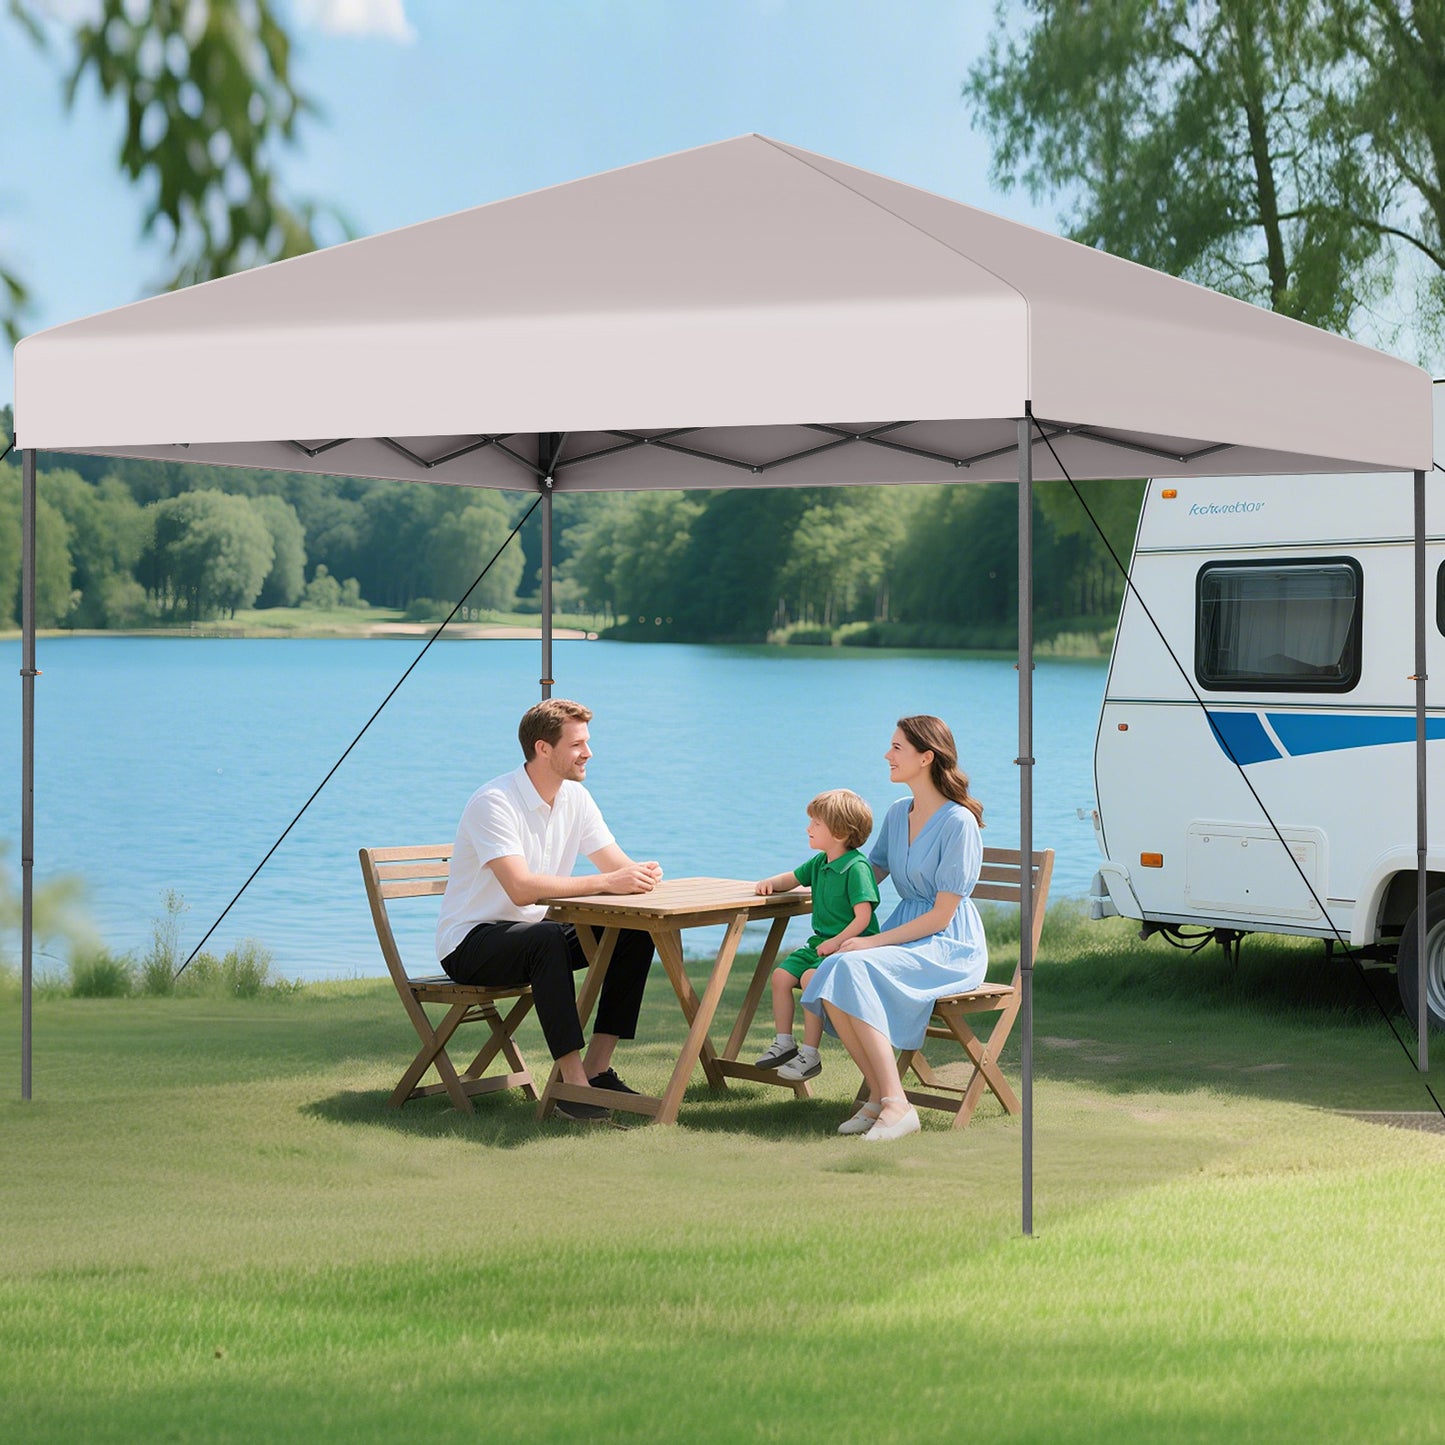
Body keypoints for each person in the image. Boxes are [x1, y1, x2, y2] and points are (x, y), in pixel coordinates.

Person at [435, 698, 663, 1123]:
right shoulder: (494, 802)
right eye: (578, 744)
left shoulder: (575, 798)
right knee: (544, 938)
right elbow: (521, 889)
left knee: (633, 929)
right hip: (472, 944)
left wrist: (642, 874)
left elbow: (616, 865)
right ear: (544, 749)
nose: (589, 753)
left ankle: (596, 1070)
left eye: (588, 743)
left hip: (535, 937)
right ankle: (570, 1087)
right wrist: (606, 883)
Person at [801, 715, 987, 1142]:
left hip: (947, 945)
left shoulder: (958, 822)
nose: (887, 755)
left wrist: (867, 942)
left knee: (849, 966)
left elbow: (941, 917)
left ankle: (895, 1105)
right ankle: (886, 1098)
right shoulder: (897, 812)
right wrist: (817, 885)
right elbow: (868, 873)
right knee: (820, 972)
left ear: (926, 757)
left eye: (897, 747)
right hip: (907, 933)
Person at [752, 789, 881, 1083]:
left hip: (850, 949)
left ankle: (810, 1053)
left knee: (811, 980)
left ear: (838, 832)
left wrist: (836, 942)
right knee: (781, 977)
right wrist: (768, 883)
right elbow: (792, 879)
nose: (808, 828)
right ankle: (784, 1042)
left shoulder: (857, 868)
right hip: (819, 946)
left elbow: (863, 919)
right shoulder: (820, 863)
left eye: (815, 824)